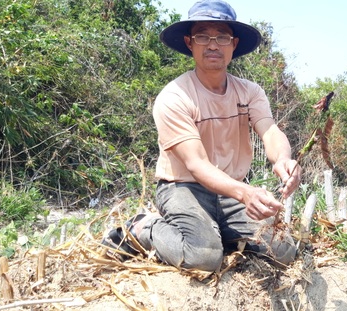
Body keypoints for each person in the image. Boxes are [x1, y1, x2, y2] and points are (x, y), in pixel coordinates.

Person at [102, 0, 301, 271]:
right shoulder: (174, 97)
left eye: (222, 37)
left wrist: (283, 160)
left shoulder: (250, 92)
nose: (212, 44)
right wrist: (246, 193)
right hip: (183, 187)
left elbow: (269, 130)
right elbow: (196, 165)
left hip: (231, 190)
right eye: (203, 36)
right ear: (189, 42)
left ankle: (221, 231)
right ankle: (144, 227)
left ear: (234, 44)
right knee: (203, 258)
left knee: (283, 250)